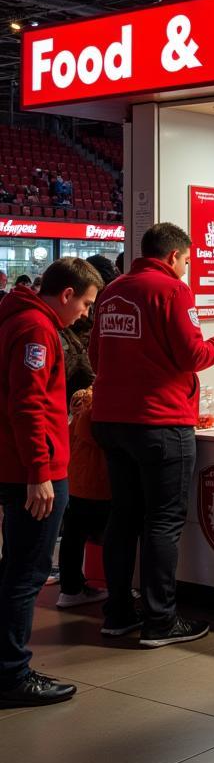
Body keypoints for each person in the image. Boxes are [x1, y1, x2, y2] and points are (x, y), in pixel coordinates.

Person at [89, 223, 214, 647]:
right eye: (187, 261)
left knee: (122, 518)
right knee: (163, 520)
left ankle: (118, 612)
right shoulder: (173, 291)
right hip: (159, 421)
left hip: (110, 420)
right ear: (174, 257)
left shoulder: (112, 291)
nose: (187, 268)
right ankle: (160, 620)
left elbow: (95, 354)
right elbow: (191, 355)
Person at [0, 257, 102, 708]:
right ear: (66, 295)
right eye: (84, 304)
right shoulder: (37, 331)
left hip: (14, 464)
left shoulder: (15, 316)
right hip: (31, 471)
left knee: (14, 570)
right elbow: (29, 405)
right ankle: (11, 675)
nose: (85, 313)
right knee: (27, 572)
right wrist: (39, 472)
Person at [55, 253, 119, 609]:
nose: (88, 311)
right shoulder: (89, 400)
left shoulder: (61, 333)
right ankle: (98, 588)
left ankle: (71, 586)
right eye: (87, 303)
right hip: (89, 475)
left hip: (73, 470)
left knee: (73, 531)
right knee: (99, 531)